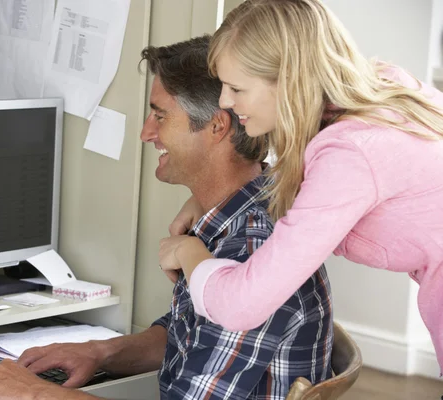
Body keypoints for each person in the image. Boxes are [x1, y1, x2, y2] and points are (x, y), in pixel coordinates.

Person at [0, 35, 334, 400]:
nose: (146, 133)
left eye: (160, 115)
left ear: (217, 126)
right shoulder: (239, 214)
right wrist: (100, 352)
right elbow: (190, 336)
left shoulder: (247, 254)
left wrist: (32, 392)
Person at [158, 0, 443, 371]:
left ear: (290, 82)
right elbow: (319, 185)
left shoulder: (350, 154)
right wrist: (205, 201)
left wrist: (187, 251)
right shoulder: (378, 86)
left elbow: (240, 305)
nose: (225, 102)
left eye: (236, 88)